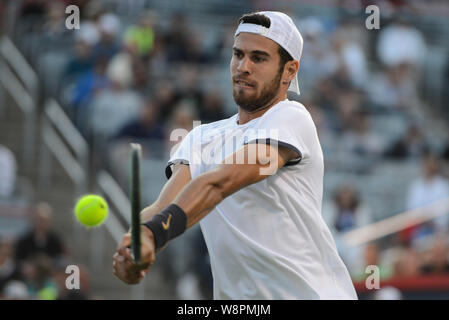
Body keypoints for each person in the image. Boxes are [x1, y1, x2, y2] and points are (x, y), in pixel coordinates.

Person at [113, 11, 357, 299]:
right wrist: (137, 244)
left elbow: (220, 183)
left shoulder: (292, 118)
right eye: (238, 54)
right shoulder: (201, 137)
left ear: (290, 71)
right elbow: (163, 206)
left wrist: (155, 233)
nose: (243, 66)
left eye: (259, 58)